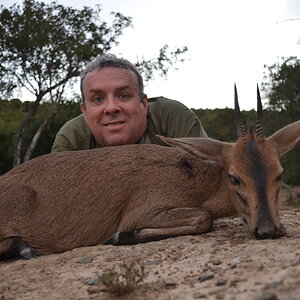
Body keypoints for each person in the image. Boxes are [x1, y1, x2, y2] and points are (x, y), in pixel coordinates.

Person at [51, 54, 207, 152]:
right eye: (98, 99)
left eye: (123, 95)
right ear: (84, 111)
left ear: (144, 104)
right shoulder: (71, 140)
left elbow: (210, 180)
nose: (111, 108)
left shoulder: (172, 117)